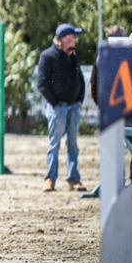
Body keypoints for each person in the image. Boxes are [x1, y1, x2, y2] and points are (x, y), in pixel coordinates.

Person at [37, 23, 86, 192]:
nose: (76, 39)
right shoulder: (47, 56)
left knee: (72, 145)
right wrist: (55, 104)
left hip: (73, 107)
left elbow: (81, 79)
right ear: (65, 38)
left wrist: (80, 100)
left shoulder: (73, 56)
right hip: (58, 108)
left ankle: (74, 179)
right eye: (73, 36)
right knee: (55, 145)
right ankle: (50, 179)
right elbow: (42, 84)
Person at [90, 24, 132, 180]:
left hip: (110, 110)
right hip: (130, 109)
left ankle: (116, 182)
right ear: (123, 37)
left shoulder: (101, 57)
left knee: (113, 149)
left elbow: (93, 86)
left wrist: (102, 106)